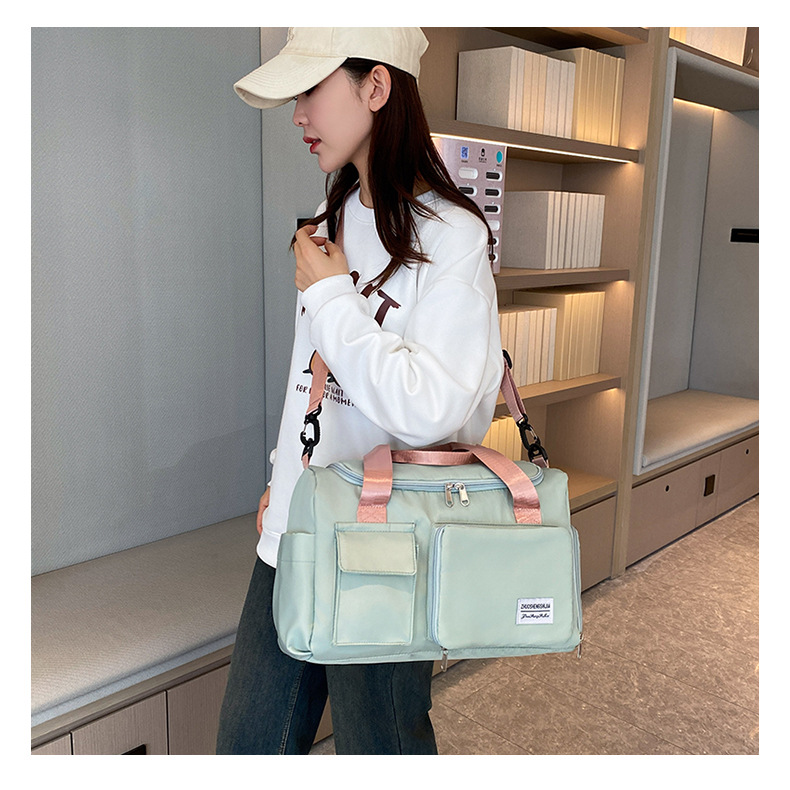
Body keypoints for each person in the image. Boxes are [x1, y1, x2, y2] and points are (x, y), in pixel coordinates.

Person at [216, 27, 503, 755]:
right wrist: (286, 474)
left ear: (376, 87)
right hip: (296, 526)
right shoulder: (331, 220)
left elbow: (431, 412)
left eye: (311, 90)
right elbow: (311, 379)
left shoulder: (455, 237)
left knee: (380, 749)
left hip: (387, 546)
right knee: (246, 748)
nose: (298, 115)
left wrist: (333, 295)